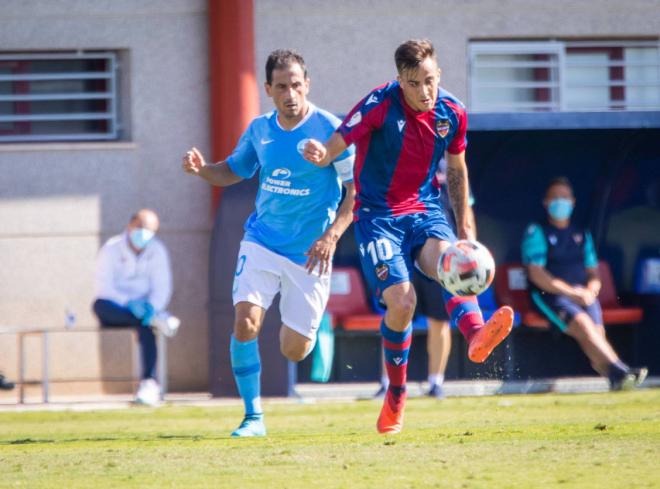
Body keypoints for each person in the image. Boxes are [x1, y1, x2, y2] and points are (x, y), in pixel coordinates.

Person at [304, 39, 513, 434]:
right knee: (402, 302)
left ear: (440, 75)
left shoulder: (452, 112)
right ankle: (396, 396)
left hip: (424, 209)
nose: (424, 91)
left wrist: (465, 226)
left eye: (430, 81)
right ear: (400, 80)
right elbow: (340, 141)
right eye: (414, 83)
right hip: (378, 217)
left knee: (456, 261)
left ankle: (475, 334)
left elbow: (456, 169)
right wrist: (322, 154)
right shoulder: (380, 103)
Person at [182, 49, 355, 437]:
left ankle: (311, 326)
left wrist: (331, 237)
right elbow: (232, 171)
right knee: (245, 322)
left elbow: (355, 190)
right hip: (261, 241)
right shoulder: (260, 130)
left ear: (307, 84)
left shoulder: (332, 130)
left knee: (293, 349)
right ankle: (252, 417)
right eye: (282, 87)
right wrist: (202, 170)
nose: (290, 93)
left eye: (296, 85)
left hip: (309, 254)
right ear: (268, 90)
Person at [522, 177, 647, 391]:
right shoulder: (537, 232)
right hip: (550, 296)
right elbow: (536, 274)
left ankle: (616, 377)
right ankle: (620, 369)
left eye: (565, 197)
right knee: (584, 325)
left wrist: (591, 290)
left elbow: (593, 272)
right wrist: (571, 292)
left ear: (573, 202)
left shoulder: (582, 234)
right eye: (555, 197)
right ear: (546, 202)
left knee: (596, 334)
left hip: (583, 295)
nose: (560, 202)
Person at [374, 160, 477, 399]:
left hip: (440, 250)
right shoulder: (401, 152)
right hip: (401, 247)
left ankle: (435, 383)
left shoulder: (451, 163)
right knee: (397, 312)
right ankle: (388, 383)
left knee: (439, 321)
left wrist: (469, 247)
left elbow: (466, 209)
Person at [93, 209, 180, 406]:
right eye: (140, 227)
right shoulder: (111, 248)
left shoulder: (158, 250)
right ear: (129, 226)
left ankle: (149, 383)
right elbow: (103, 287)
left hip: (145, 310)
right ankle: (157, 319)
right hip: (114, 307)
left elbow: (162, 288)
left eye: (150, 229)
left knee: (146, 325)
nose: (143, 233)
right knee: (102, 306)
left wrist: (151, 307)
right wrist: (129, 303)